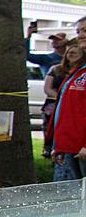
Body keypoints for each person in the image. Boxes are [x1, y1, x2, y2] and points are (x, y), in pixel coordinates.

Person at [52, 30, 86, 181]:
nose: (71, 52)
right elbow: (65, 113)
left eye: (76, 48)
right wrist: (59, 144)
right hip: (70, 145)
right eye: (69, 49)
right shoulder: (73, 75)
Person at [44, 38, 81, 160]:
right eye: (69, 51)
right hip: (54, 105)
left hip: (72, 109)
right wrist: (61, 98)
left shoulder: (81, 73)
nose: (71, 53)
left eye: (75, 52)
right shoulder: (56, 69)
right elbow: (47, 88)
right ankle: (51, 148)